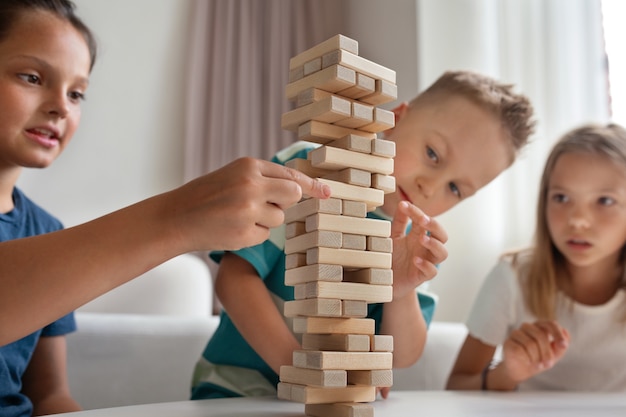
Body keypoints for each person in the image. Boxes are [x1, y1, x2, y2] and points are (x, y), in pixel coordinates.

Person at [0, 1, 330, 416]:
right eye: (32, 77)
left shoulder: (47, 231)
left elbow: (49, 396)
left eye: (77, 93)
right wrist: (178, 216)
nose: (61, 106)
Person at [190, 70, 536, 400]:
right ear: (396, 119)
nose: (429, 187)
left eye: (456, 188)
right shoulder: (313, 169)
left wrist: (399, 291)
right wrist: (302, 372)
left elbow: (402, 356)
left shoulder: (415, 240)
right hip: (234, 387)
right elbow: (234, 280)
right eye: (432, 154)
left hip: (330, 403)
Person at [446, 123, 626, 392]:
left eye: (604, 201)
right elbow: (456, 387)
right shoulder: (512, 277)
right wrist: (507, 373)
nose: (578, 220)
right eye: (561, 197)